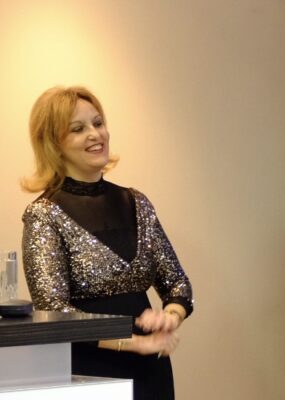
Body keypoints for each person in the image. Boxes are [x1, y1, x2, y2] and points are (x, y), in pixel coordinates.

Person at [21, 86, 193, 400]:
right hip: (89, 371)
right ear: (54, 145)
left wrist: (169, 317)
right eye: (78, 129)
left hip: (150, 368)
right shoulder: (44, 215)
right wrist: (134, 342)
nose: (95, 134)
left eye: (98, 123)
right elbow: (53, 311)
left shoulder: (136, 202)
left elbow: (177, 284)